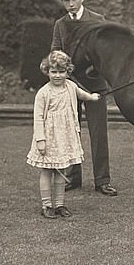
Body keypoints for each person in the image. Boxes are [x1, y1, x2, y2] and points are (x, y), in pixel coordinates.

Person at [51, 0, 118, 196]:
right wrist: (62, 71)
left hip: (95, 85)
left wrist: (96, 71)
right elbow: (56, 52)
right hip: (70, 86)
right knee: (72, 132)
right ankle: (73, 178)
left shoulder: (98, 21)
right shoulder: (60, 25)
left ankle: (102, 180)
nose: (70, 4)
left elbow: (106, 54)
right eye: (66, 1)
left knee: (99, 133)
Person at [26, 51, 101, 219]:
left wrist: (93, 97)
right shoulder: (43, 93)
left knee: (61, 171)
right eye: (54, 72)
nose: (58, 75)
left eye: (62, 72)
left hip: (65, 136)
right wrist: (40, 140)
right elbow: (38, 118)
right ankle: (46, 205)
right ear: (47, 71)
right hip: (49, 137)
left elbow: (82, 94)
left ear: (68, 71)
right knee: (47, 170)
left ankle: (59, 204)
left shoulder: (71, 87)